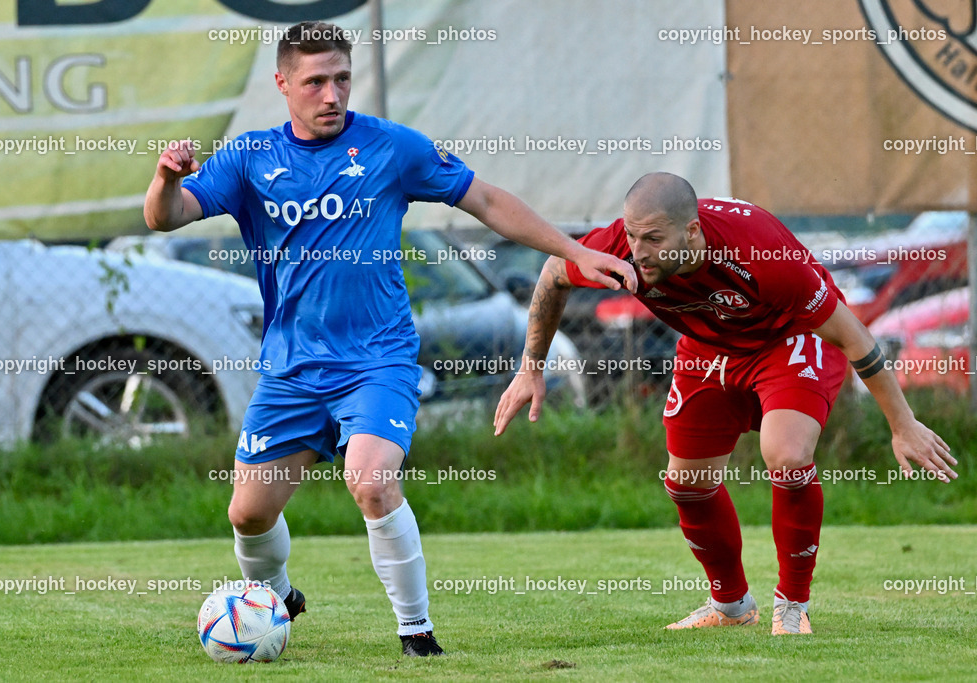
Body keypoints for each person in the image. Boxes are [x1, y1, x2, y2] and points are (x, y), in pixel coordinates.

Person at [143, 21, 634, 657]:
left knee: (371, 480)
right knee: (248, 514)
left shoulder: (390, 149)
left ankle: (416, 632)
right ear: (283, 84)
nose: (331, 94)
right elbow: (166, 217)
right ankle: (276, 597)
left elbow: (483, 197)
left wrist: (574, 251)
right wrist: (166, 178)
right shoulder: (250, 158)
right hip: (291, 370)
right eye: (315, 82)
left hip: (378, 362)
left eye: (342, 79)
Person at [494, 172, 956, 635]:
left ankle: (792, 604)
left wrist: (903, 423)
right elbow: (555, 272)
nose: (638, 251)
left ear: (691, 232)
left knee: (788, 455)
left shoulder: (761, 255)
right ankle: (732, 605)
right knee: (686, 483)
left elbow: (852, 335)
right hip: (709, 347)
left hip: (788, 339)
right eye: (633, 236)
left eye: (653, 239)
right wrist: (531, 365)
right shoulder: (621, 247)